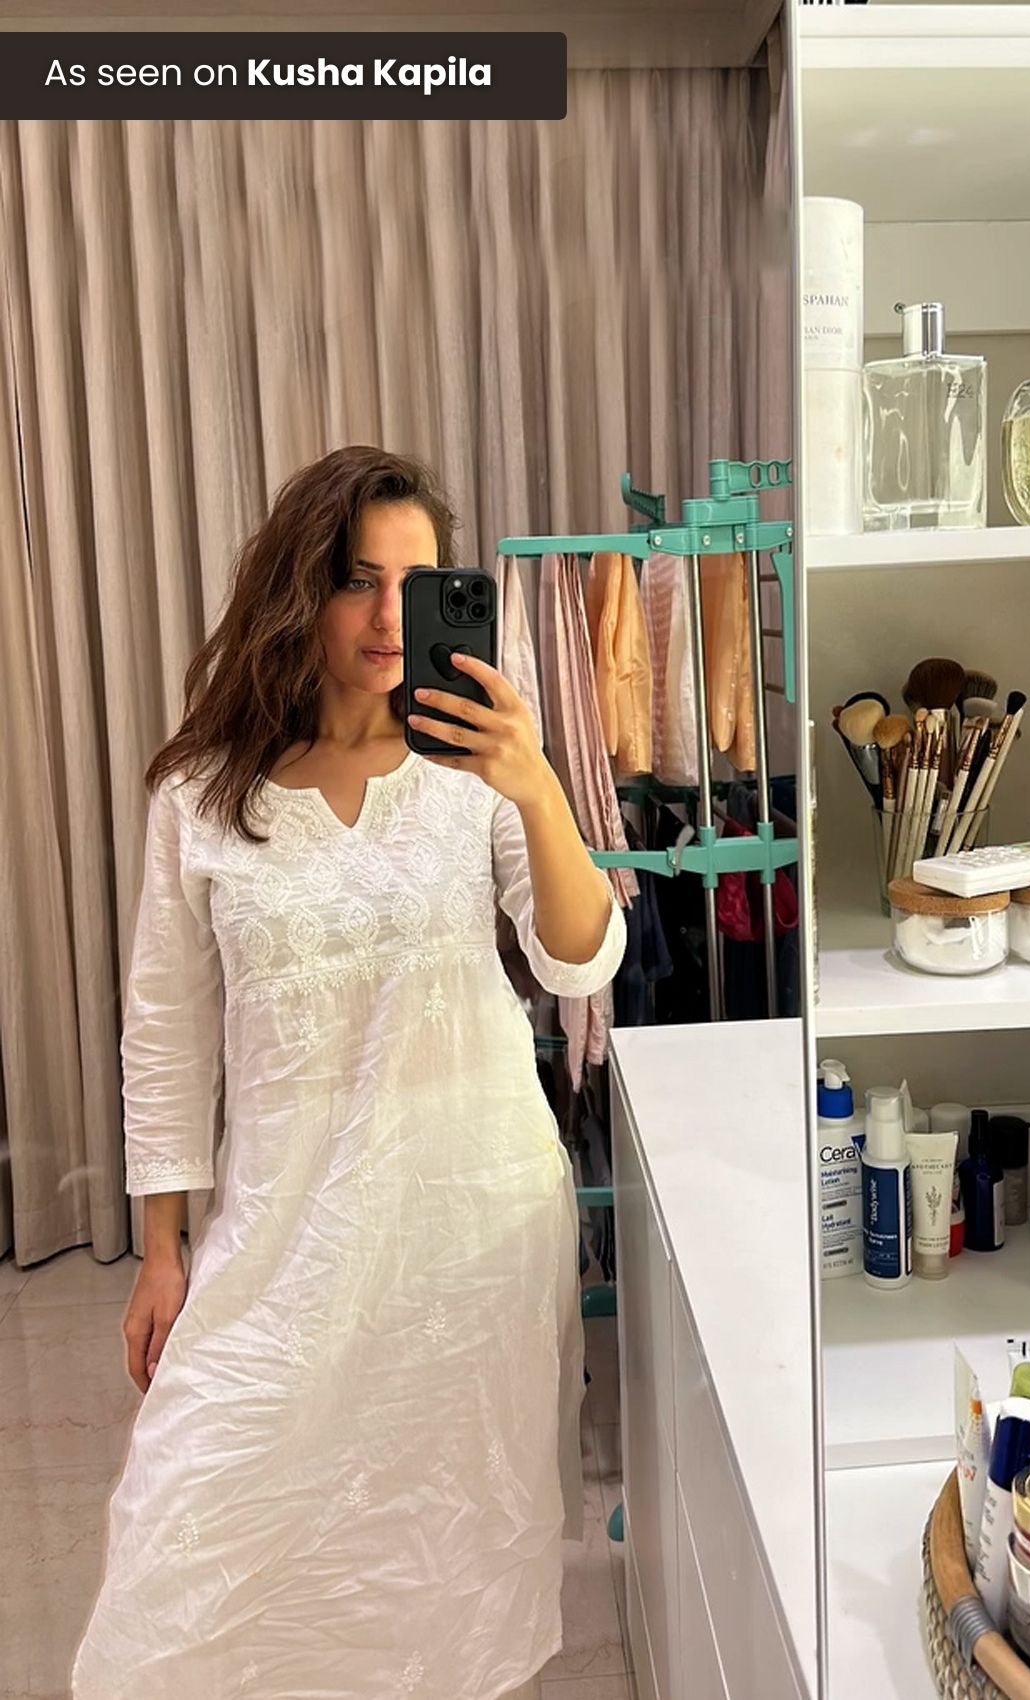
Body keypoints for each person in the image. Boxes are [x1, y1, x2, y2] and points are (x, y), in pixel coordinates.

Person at [71, 447, 626, 1700]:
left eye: (415, 585)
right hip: (287, 1235)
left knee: (444, 1546)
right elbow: (164, 1028)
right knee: (185, 1535)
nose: (388, 617)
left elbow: (579, 957)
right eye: (357, 580)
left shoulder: (478, 770)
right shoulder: (200, 798)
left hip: (469, 1227)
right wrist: (161, 1246)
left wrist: (535, 786)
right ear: (300, 590)